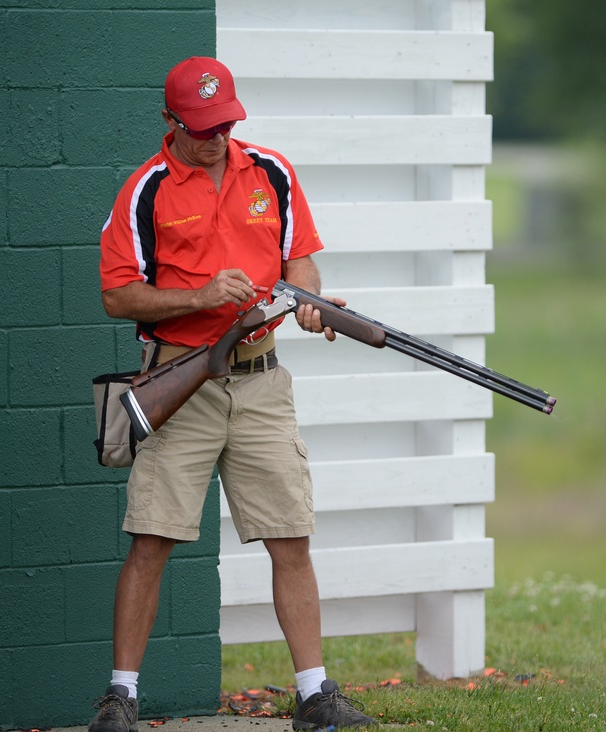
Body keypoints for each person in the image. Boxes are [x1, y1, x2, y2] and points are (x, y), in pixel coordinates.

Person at [90, 57, 378, 731]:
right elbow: (116, 293)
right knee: (151, 539)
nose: (215, 138)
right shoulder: (146, 189)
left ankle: (313, 694)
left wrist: (307, 300)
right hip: (178, 380)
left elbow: (298, 255)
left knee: (291, 537)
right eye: (199, 127)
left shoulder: (270, 172)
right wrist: (197, 296)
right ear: (169, 121)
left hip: (261, 380)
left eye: (224, 124)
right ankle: (120, 696)